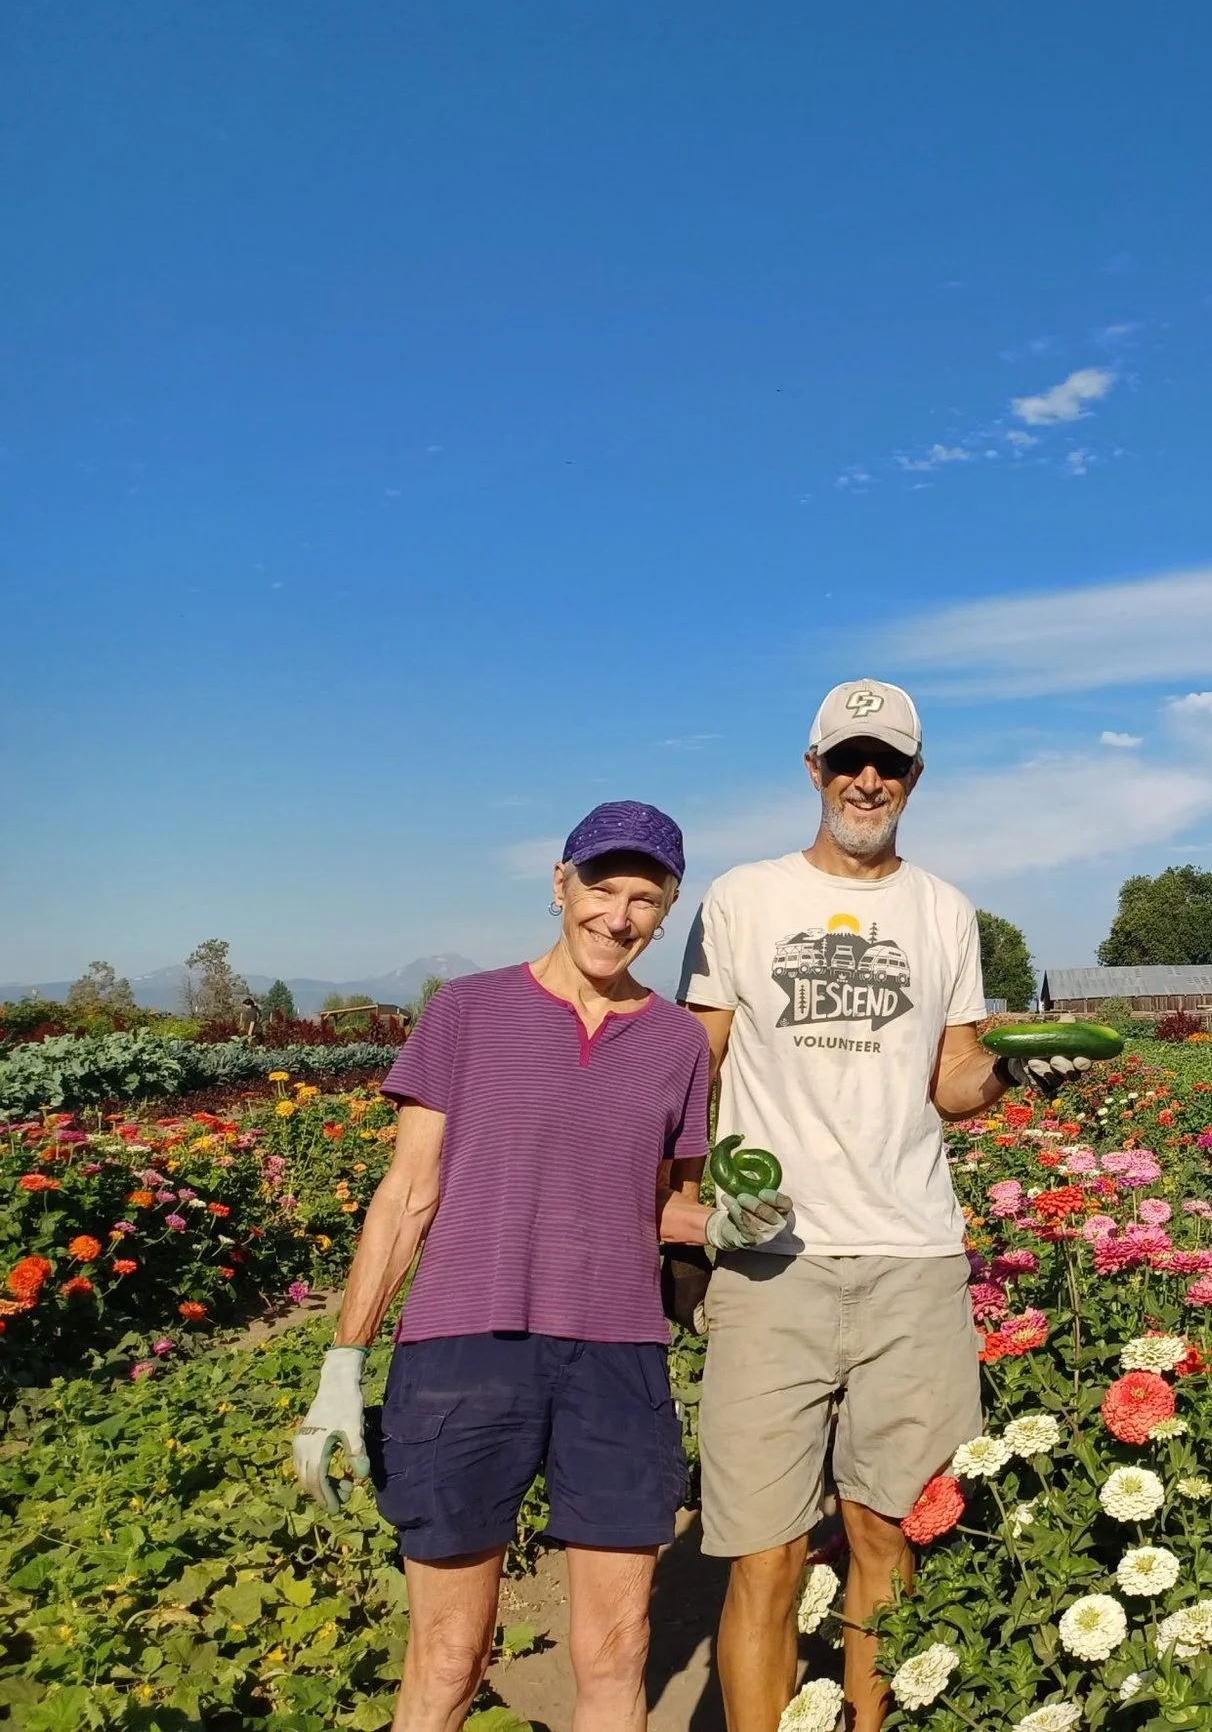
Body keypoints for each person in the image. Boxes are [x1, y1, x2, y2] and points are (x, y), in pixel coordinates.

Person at [290, 802, 784, 1732]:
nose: (618, 916)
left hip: (618, 1354)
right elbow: (409, 1191)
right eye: (602, 887)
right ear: (560, 884)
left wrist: (720, 1221)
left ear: (667, 910)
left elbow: (655, 1203)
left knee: (617, 1650)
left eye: (645, 898)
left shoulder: (679, 1042)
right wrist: (343, 1361)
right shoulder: (466, 1011)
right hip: (464, 1347)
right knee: (449, 1656)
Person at [679, 680, 1086, 1732]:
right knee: (764, 1554)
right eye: (850, 760)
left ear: (915, 776)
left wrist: (1013, 1070)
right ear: (813, 769)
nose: (869, 780)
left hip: (912, 1256)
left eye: (890, 763)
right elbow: (690, 1067)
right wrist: (671, 1212)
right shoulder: (743, 899)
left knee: (887, 1533)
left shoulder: (944, 910)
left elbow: (951, 1077)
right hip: (773, 1259)